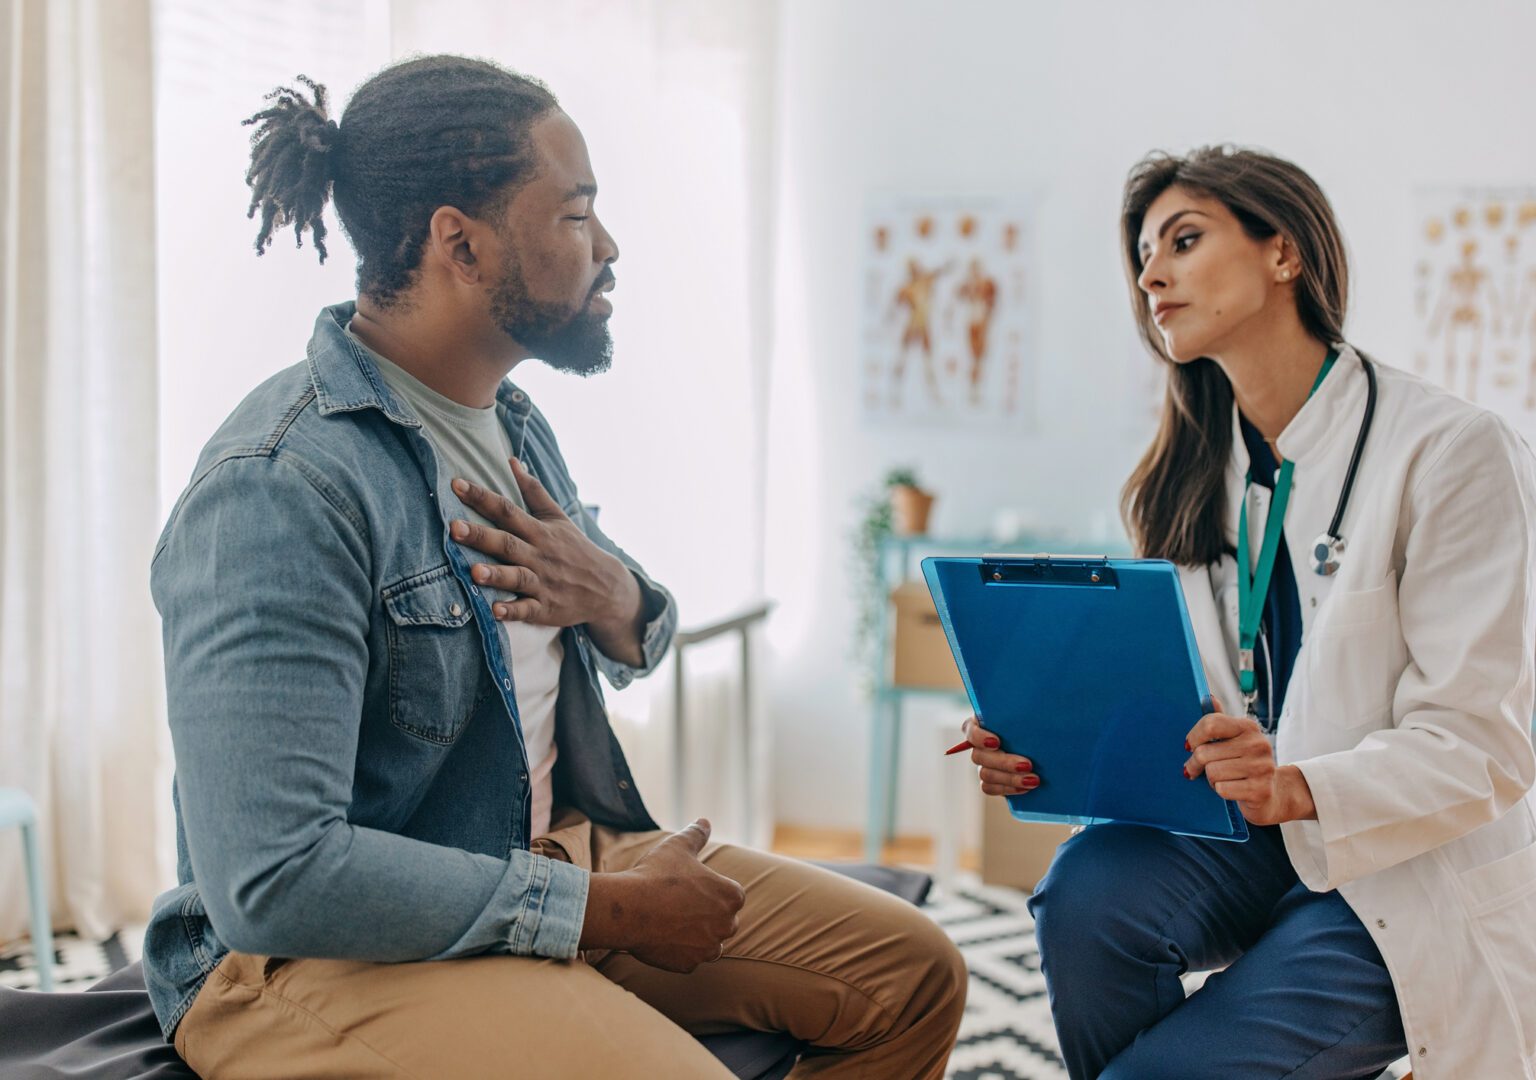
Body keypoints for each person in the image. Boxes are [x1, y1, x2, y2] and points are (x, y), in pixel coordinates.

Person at [145, 56, 965, 1079]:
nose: (610, 248)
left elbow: (624, 625)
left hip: (533, 855)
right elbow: (273, 879)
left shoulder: (513, 426)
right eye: (576, 215)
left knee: (913, 973)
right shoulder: (279, 488)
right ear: (461, 242)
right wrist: (602, 910)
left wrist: (616, 596)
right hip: (309, 957)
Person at [962, 146, 1536, 1080]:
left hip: (1410, 867)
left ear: (1282, 254)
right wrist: (1056, 750)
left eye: (1182, 239)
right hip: (1252, 839)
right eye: (1141, 256)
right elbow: (1189, 709)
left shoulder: (1454, 452)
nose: (1150, 275)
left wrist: (1292, 786)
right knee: (1083, 897)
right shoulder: (1192, 474)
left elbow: (1480, 749)